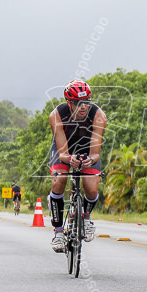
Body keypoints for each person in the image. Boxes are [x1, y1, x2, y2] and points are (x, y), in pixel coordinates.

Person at [48, 80, 107, 252]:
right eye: (78, 103)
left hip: (87, 149)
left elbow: (96, 152)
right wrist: (69, 159)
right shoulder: (57, 115)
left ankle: (86, 217)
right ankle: (58, 231)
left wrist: (90, 159)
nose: (83, 107)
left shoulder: (98, 116)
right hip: (64, 149)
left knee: (92, 187)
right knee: (59, 181)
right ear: (69, 103)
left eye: (87, 102)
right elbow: (63, 154)